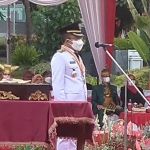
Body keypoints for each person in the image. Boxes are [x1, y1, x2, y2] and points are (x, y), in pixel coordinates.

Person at [51, 21, 87, 150]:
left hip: (78, 104)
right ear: (68, 41)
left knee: (76, 137)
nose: (80, 41)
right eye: (77, 38)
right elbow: (57, 84)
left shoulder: (77, 57)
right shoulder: (59, 57)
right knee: (66, 138)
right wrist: (62, 107)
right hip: (67, 105)